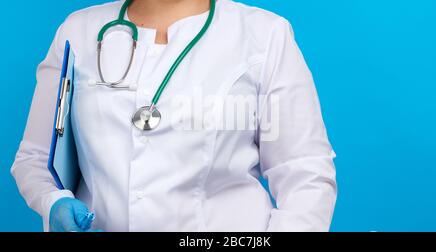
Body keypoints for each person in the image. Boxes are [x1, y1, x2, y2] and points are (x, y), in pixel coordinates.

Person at [11, 0, 337, 232]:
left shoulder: (263, 35)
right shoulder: (78, 31)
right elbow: (35, 158)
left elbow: (305, 173)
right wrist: (53, 202)